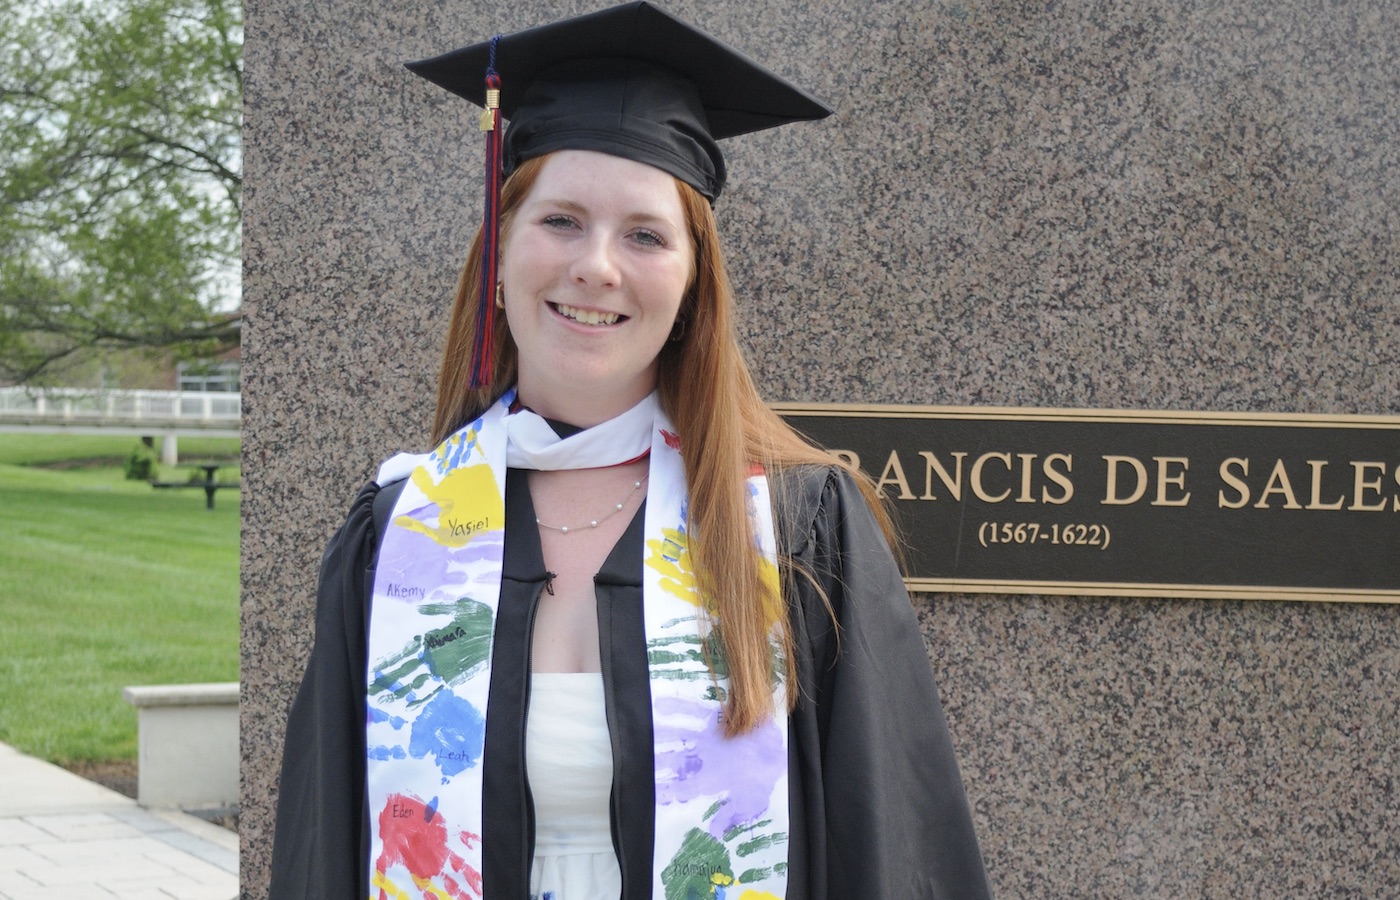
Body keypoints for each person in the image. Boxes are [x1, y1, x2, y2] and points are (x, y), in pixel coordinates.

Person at [269, 3, 991, 898]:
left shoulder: (794, 524)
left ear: (692, 286)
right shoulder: (402, 529)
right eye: (561, 220)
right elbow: (323, 850)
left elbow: (893, 851)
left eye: (645, 234)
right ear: (499, 254)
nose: (597, 266)